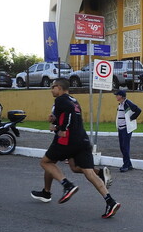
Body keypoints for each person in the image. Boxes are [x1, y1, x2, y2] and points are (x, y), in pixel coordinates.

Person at [32, 79, 120, 218]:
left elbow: (68, 114)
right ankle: (110, 201)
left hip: (68, 140)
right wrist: (55, 120)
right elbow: (70, 116)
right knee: (86, 171)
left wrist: (61, 128)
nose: (51, 90)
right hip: (83, 140)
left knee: (46, 162)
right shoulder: (74, 101)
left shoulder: (61, 100)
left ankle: (67, 185)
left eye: (53, 87)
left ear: (59, 87)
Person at [114, 89, 142, 172]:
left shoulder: (127, 103)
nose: (116, 97)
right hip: (120, 128)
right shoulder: (120, 104)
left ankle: (125, 165)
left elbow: (138, 110)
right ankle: (129, 164)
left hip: (126, 129)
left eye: (117, 95)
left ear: (121, 96)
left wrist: (132, 118)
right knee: (122, 147)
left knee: (125, 147)